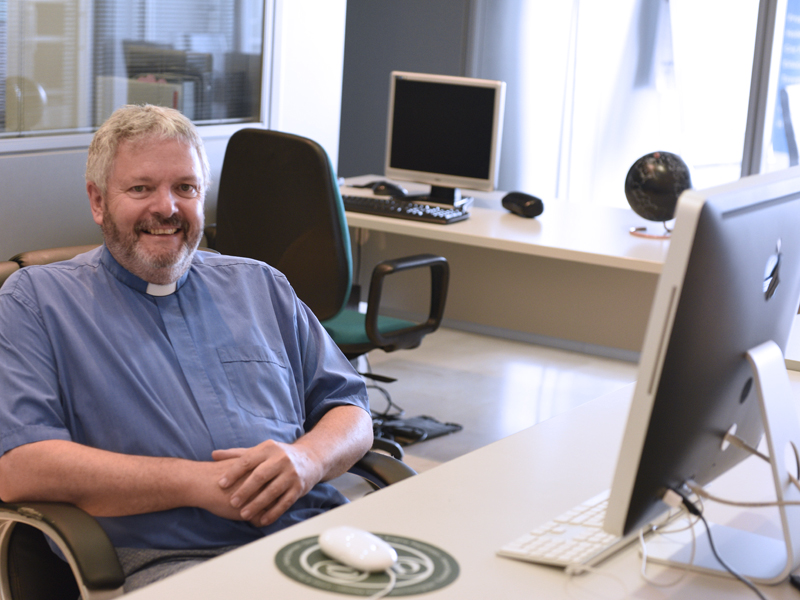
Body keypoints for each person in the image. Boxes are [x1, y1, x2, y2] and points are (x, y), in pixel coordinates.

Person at [0, 104, 373, 591]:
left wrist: (308, 461)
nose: (167, 208)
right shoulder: (35, 302)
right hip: (169, 563)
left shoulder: (260, 286)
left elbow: (350, 407)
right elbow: (21, 466)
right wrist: (198, 483)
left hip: (313, 536)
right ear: (97, 201)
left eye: (185, 188)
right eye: (140, 188)